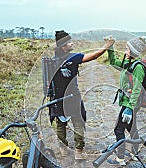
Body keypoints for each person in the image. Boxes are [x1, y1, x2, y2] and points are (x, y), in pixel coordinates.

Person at [49, 30, 115, 160]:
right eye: (69, 42)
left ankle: (63, 149)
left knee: (60, 123)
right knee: (78, 121)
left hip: (57, 97)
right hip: (72, 96)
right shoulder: (73, 57)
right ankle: (79, 151)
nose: (72, 43)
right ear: (64, 46)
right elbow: (94, 56)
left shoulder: (52, 60)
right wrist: (107, 45)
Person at [106, 36, 146, 165]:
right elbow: (113, 62)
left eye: (127, 49)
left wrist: (129, 108)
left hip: (130, 103)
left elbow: (137, 89)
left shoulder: (138, 67)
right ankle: (135, 154)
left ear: (133, 51)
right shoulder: (129, 63)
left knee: (118, 130)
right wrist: (110, 47)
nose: (125, 51)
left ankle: (120, 158)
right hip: (128, 102)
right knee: (132, 129)